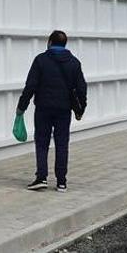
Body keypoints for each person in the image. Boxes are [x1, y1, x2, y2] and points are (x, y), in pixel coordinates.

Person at [16, 30, 87, 192]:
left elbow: (30, 86)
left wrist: (21, 107)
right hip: (64, 109)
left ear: (49, 42)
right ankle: (61, 182)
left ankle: (41, 178)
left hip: (43, 108)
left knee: (42, 143)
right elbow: (82, 88)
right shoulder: (74, 63)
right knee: (62, 144)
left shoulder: (40, 60)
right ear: (65, 43)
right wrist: (81, 109)